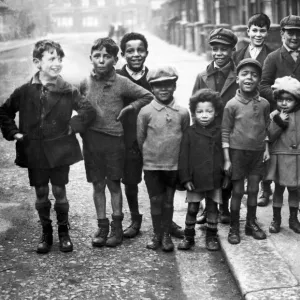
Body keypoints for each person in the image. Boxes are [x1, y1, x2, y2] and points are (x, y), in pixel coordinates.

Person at [0, 40, 96, 254]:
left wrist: (73, 125)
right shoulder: (24, 91)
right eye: (52, 58)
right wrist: (14, 132)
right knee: (41, 192)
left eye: (60, 58)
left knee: (60, 191)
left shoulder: (68, 90)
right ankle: (46, 233)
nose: (57, 63)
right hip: (34, 150)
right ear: (37, 62)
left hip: (60, 149)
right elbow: (4, 111)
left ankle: (63, 232)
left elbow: (87, 111)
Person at [79, 37, 153, 248]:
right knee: (97, 184)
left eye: (106, 56)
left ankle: (117, 227)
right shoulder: (85, 81)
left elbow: (147, 96)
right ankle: (102, 226)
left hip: (114, 140)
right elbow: (75, 100)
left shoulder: (121, 82)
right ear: (91, 58)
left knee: (113, 183)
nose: (101, 60)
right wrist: (79, 120)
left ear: (115, 59)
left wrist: (131, 108)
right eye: (97, 56)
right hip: (91, 140)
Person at [117, 32, 184, 239]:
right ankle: (135, 218)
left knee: (160, 183)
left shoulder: (154, 78)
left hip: (155, 141)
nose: (136, 54)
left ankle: (166, 220)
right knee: (130, 181)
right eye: (130, 51)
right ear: (123, 54)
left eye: (140, 50)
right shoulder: (118, 78)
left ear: (147, 52)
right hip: (127, 138)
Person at [137, 66, 190, 252]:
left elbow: (185, 140)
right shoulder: (145, 112)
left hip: (173, 166)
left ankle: (167, 234)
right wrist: (146, 161)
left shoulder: (182, 112)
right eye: (158, 86)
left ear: (174, 86)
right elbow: (140, 139)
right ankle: (157, 234)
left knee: (168, 201)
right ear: (152, 88)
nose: (164, 89)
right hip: (152, 166)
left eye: (168, 84)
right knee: (155, 200)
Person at [192, 28, 238, 225]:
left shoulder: (238, 75)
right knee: (207, 169)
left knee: (228, 170)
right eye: (215, 49)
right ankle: (206, 206)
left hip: (231, 131)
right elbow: (194, 104)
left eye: (224, 49)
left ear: (232, 50)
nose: (219, 53)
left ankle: (224, 207)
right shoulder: (203, 76)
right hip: (208, 131)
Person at [222, 58, 270, 245]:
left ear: (259, 80)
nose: (249, 78)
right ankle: (234, 226)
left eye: (254, 75)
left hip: (257, 153)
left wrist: (266, 148)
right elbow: (225, 132)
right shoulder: (231, 105)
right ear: (237, 79)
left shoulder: (265, 103)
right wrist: (227, 159)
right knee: (237, 191)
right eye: (244, 74)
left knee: (253, 189)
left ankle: (250, 223)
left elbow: (266, 127)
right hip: (237, 153)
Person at [260, 15, 300, 207]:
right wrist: (281, 98)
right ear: (282, 33)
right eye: (290, 32)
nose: (294, 37)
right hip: (280, 114)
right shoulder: (273, 57)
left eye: (298, 33)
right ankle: (265, 187)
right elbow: (263, 85)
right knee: (274, 152)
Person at [233, 13, 272, 207]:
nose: (258, 34)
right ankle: (244, 181)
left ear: (267, 32)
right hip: (242, 105)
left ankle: (265, 187)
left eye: (262, 30)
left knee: (264, 145)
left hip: (263, 106)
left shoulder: (271, 55)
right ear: (248, 31)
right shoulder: (238, 54)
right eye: (254, 30)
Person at [178, 89, 223, 251]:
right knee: (192, 208)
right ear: (194, 113)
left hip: (214, 177)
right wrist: (185, 179)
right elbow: (183, 157)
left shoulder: (219, 132)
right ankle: (188, 237)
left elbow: (224, 156)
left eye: (209, 111)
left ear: (216, 112)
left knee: (212, 207)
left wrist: (224, 176)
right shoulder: (189, 133)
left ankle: (211, 237)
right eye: (200, 112)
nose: (204, 115)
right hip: (195, 179)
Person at [266, 76, 300, 234]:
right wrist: (279, 122)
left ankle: (293, 218)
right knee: (279, 189)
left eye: (289, 100)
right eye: (280, 100)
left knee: (295, 189)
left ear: (296, 100)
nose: (284, 103)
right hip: (280, 156)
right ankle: (276, 219)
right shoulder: (274, 115)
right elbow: (269, 137)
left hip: (296, 157)